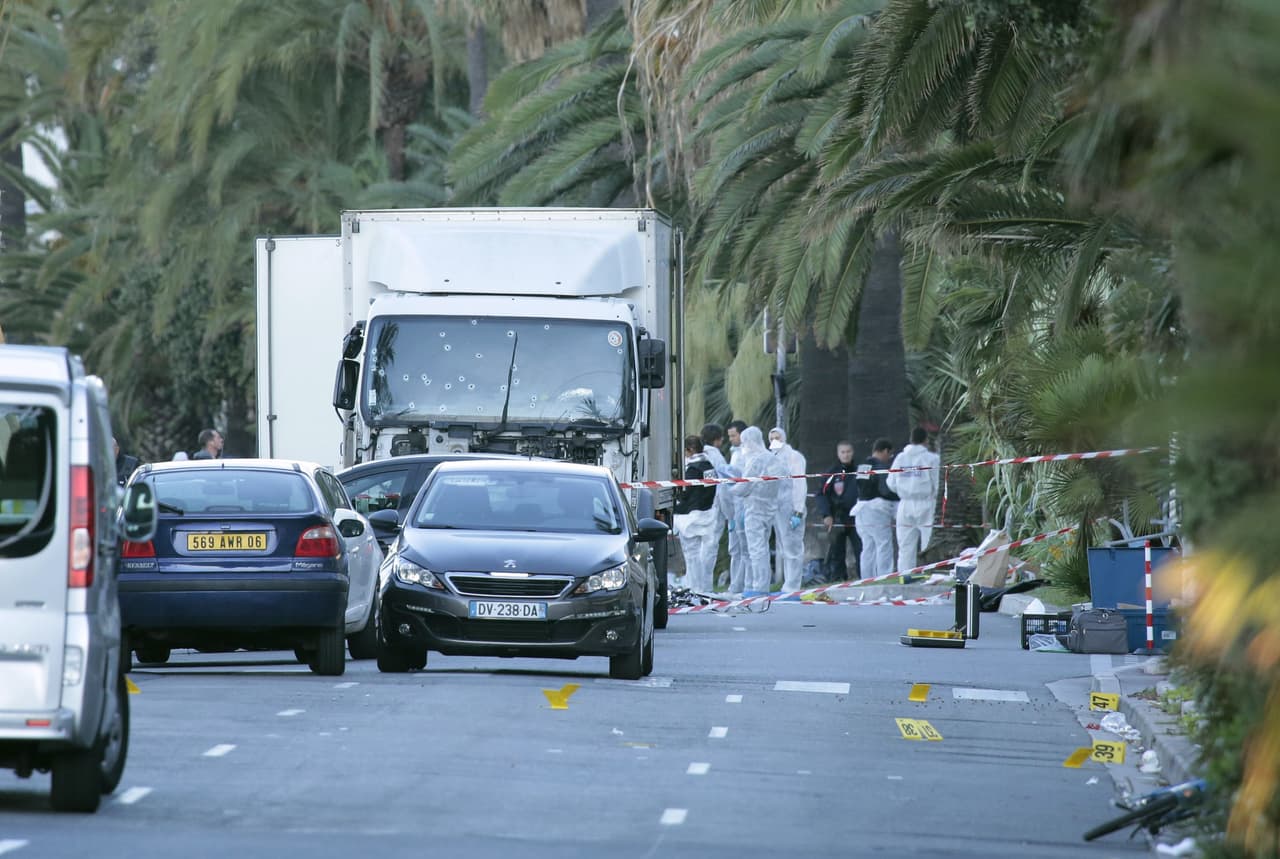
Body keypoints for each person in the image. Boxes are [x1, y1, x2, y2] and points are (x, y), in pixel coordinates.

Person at [731, 426, 788, 597]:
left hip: (754, 510)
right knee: (762, 548)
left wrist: (730, 487)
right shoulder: (773, 459)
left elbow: (744, 487)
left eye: (744, 443)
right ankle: (762, 584)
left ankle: (759, 586)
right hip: (769, 509)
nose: (744, 447)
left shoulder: (755, 460)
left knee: (756, 550)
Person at [887, 427, 941, 574]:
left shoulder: (900, 458)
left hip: (904, 504)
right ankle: (928, 575)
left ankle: (905, 576)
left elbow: (890, 483)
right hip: (927, 503)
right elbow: (937, 483)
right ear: (925, 440)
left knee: (905, 545)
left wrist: (902, 491)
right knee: (927, 542)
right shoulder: (932, 459)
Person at [672, 435, 718, 593]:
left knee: (692, 555)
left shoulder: (692, 469)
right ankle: (705, 588)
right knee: (705, 555)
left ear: (690, 450)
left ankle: (694, 588)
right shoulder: (709, 466)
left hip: (690, 516)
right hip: (707, 513)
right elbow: (711, 489)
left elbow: (685, 493)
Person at [767, 427, 807, 595]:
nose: (775, 441)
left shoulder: (794, 456)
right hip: (778, 509)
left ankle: (793, 586)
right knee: (784, 548)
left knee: (793, 549)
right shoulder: (771, 458)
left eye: (778, 437)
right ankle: (787, 586)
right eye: (772, 438)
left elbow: (799, 484)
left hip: (791, 507)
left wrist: (798, 510)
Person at [700, 422, 738, 590]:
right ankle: (705, 587)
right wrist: (731, 514)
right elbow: (723, 487)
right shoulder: (716, 457)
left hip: (700, 507)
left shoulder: (699, 454)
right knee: (709, 547)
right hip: (715, 507)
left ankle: (697, 585)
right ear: (717, 439)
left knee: (699, 547)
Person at [854, 438, 900, 579]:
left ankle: (866, 578)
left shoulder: (862, 467)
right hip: (876, 510)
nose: (889, 458)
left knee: (867, 547)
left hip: (860, 509)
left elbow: (860, 487)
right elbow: (885, 489)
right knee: (883, 545)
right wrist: (898, 497)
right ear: (885, 451)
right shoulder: (881, 467)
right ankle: (884, 577)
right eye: (890, 455)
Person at [816, 440, 861, 582]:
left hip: (856, 518)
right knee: (837, 553)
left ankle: (863, 578)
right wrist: (826, 514)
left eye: (848, 452)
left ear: (852, 453)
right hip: (837, 518)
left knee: (861, 550)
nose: (846, 455)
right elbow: (821, 494)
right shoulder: (831, 473)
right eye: (843, 452)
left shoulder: (860, 471)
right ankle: (838, 581)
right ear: (838, 453)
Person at [723, 420, 750, 594]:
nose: (731, 439)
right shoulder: (736, 453)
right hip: (734, 506)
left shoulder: (747, 454)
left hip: (744, 505)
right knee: (735, 550)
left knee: (746, 549)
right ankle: (736, 586)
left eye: (734, 435)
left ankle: (746, 585)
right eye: (730, 436)